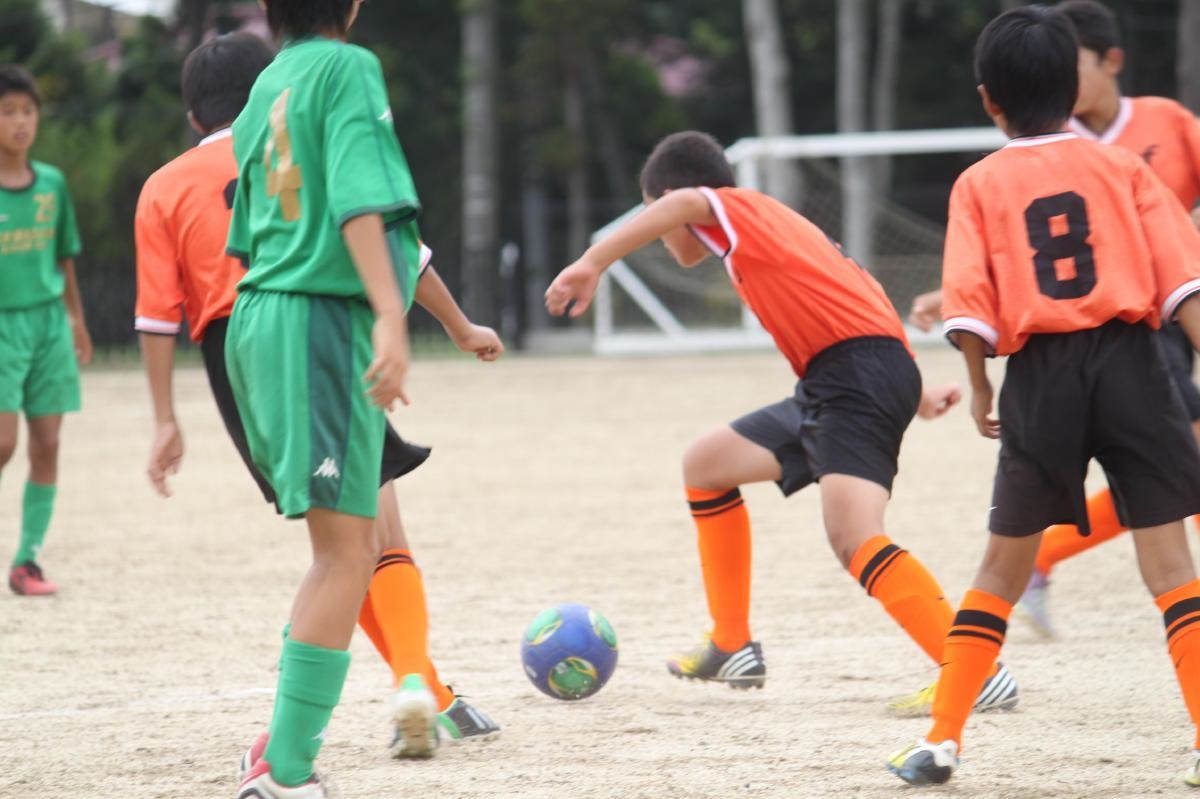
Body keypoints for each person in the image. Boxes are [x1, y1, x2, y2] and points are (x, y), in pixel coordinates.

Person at [544, 130, 1020, 717]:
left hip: (853, 381)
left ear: (670, 200)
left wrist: (592, 262)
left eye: (653, 215)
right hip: (841, 379)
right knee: (706, 465)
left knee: (855, 536)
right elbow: (858, 304)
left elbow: (688, 202)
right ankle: (731, 644)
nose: (659, 234)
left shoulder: (734, 208)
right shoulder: (768, 230)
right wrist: (915, 391)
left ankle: (973, 671)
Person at [132, 31, 501, 782]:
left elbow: (156, 316)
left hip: (238, 352)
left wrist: (165, 418)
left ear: (194, 115)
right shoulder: (302, 130)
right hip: (320, 326)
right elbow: (397, 243)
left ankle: (399, 697)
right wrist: (459, 327)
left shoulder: (163, 186)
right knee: (364, 536)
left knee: (340, 541)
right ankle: (407, 693)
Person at [886, 6, 1200, 787]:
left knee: (1000, 565)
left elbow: (968, 302)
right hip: (1134, 365)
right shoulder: (1124, 168)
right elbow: (1183, 285)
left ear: (988, 99)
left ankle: (942, 740)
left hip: (1041, 376)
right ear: (1072, 86)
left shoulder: (979, 182)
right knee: (1171, 562)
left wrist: (981, 384)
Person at [216, 2, 442, 795]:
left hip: (260, 314)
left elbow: (246, 229)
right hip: (316, 319)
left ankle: (276, 744)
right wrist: (388, 312)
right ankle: (284, 771)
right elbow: (358, 200)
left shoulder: (266, 84)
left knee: (342, 546)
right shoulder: (347, 67)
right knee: (348, 552)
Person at [0, 64, 93, 596]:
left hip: (49, 324)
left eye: (27, 111)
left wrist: (76, 319)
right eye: (8, 111)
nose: (20, 122)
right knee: (3, 443)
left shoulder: (52, 184)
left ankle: (26, 561)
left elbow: (65, 256)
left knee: (49, 441)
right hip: (3, 327)